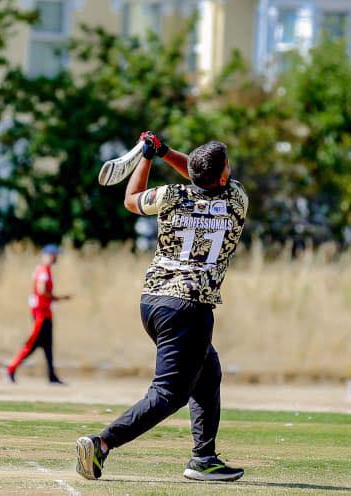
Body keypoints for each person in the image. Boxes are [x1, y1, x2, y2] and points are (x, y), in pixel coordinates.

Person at [75, 131, 247, 483]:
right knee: (170, 393)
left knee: (207, 373)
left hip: (153, 302)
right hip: (190, 308)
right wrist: (164, 152)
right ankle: (102, 443)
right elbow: (200, 173)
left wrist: (149, 156)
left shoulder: (171, 196)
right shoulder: (236, 198)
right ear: (223, 177)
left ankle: (204, 458)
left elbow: (132, 199)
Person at [3, 244, 70, 385]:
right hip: (41, 313)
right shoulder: (43, 270)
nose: (56, 258)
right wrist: (56, 298)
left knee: (48, 346)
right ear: (49, 255)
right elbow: (41, 290)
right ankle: (10, 369)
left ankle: (52, 376)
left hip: (46, 313)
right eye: (55, 255)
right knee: (32, 344)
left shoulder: (45, 270)